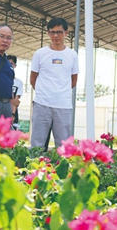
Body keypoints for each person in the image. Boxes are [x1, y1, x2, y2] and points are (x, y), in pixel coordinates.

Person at [30, 17, 79, 149]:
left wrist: (60, 92)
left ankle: (62, 169)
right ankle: (34, 168)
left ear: (66, 33)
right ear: (48, 33)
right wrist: (43, 92)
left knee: (63, 145)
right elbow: (33, 77)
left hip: (63, 105)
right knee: (37, 143)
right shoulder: (40, 53)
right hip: (42, 104)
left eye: (59, 32)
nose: (55, 35)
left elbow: (73, 80)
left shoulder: (72, 55)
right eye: (52, 32)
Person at [7, 55, 23, 128]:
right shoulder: (0, 80)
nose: (9, 66)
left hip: (12, 111)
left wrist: (12, 114)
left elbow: (16, 100)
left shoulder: (18, 82)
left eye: (11, 64)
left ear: (15, 65)